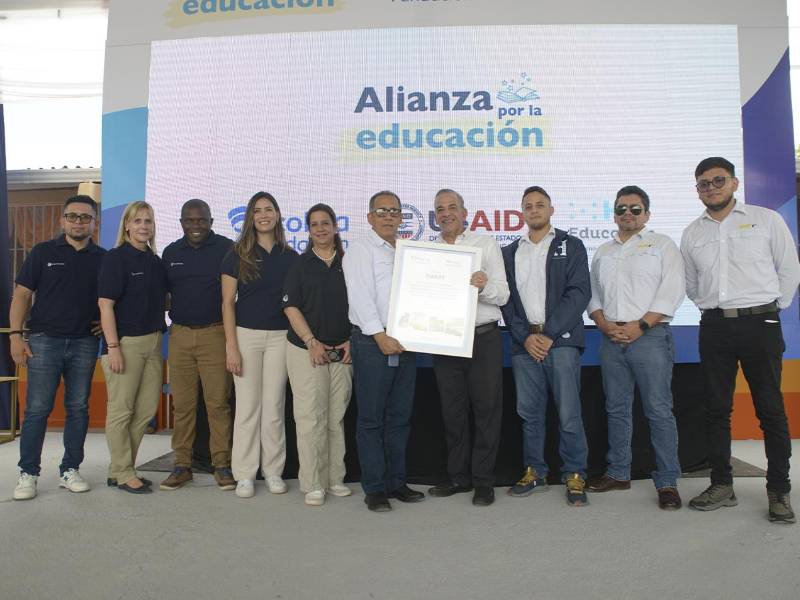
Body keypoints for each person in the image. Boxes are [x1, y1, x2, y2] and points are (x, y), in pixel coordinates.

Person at [681, 157, 800, 524]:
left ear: (733, 183)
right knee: (716, 409)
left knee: (770, 409)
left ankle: (778, 490)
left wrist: (770, 308)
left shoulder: (766, 219)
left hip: (759, 323)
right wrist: (712, 309)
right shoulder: (692, 233)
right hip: (714, 327)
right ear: (698, 190)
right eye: (703, 183)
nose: (711, 187)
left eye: (718, 180)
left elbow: (789, 269)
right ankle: (722, 485)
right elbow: (690, 283)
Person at [587, 186, 685, 510]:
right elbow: (594, 295)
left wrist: (640, 326)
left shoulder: (662, 245)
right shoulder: (603, 251)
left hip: (651, 336)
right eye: (621, 209)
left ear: (647, 214)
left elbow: (673, 289)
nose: (627, 214)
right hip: (611, 338)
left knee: (658, 410)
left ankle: (668, 481)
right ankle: (618, 472)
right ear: (613, 214)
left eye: (635, 209)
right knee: (616, 408)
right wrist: (604, 325)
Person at [501, 186, 591, 507]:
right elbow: (506, 302)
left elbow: (579, 293)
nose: (535, 210)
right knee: (530, 414)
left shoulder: (572, 245)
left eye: (541, 205)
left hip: (561, 342)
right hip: (524, 345)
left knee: (568, 413)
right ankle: (535, 470)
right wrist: (526, 337)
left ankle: (575, 473)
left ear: (551, 210)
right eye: (528, 206)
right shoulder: (509, 252)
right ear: (522, 213)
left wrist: (549, 334)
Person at [10, 195, 105, 500]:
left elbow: (114, 299)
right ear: (62, 220)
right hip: (43, 341)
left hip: (84, 343)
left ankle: (70, 469)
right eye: (73, 216)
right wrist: (15, 336)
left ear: (94, 223)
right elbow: (22, 295)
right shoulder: (42, 252)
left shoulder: (103, 258)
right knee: (37, 410)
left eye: (85, 217)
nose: (79, 222)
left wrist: (106, 322)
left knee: (78, 409)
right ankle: (28, 473)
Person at [342, 191, 424, 512]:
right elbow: (360, 297)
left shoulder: (407, 251)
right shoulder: (361, 249)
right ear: (370, 218)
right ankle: (375, 488)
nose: (389, 216)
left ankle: (396, 482)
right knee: (372, 420)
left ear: (401, 217)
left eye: (394, 211)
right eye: (382, 211)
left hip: (406, 343)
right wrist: (379, 335)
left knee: (400, 418)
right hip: (373, 344)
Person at [427, 189, 509, 507]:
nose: (446, 213)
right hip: (445, 339)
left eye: (452, 207)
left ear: (465, 213)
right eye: (440, 209)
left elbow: (502, 294)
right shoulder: (427, 253)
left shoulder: (484, 245)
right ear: (435, 217)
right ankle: (458, 477)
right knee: (452, 412)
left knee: (487, 410)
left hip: (483, 337)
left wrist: (482, 284)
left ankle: (484, 481)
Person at [221, 192, 298, 499]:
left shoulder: (290, 256)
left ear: (278, 215)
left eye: (269, 209)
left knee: (274, 407)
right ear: (250, 218)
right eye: (257, 211)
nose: (264, 215)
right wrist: (231, 347)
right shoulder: (236, 253)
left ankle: (274, 471)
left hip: (281, 338)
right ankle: (244, 474)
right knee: (248, 407)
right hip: (246, 337)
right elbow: (227, 303)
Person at [160, 199, 235, 492]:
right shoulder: (170, 252)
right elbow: (162, 294)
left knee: (217, 404)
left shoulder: (227, 248)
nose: (196, 226)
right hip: (178, 336)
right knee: (184, 406)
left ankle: (222, 465)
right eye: (190, 221)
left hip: (215, 335)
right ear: (181, 223)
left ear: (211, 221)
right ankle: (182, 465)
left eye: (201, 220)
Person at [283, 203, 353, 507]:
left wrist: (352, 339)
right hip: (306, 350)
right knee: (311, 417)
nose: (321, 229)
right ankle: (312, 482)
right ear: (308, 231)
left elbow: (361, 303)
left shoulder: (349, 263)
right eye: (315, 224)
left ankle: (334, 478)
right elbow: (290, 306)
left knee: (335, 417)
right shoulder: (299, 265)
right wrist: (310, 340)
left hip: (343, 351)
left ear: (336, 227)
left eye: (326, 223)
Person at [98, 201, 167, 494]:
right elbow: (105, 305)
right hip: (125, 344)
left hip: (153, 343)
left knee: (146, 409)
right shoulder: (116, 259)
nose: (143, 226)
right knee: (122, 410)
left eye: (148, 221)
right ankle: (124, 471)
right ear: (126, 225)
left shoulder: (155, 261)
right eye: (137, 221)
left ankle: (121, 468)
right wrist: (113, 346)